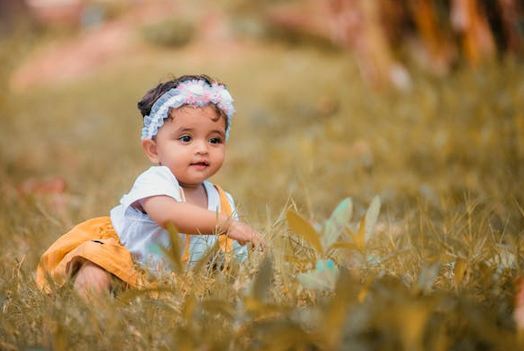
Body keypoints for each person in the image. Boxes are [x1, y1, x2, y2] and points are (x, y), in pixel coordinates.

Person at [36, 74, 263, 298]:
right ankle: (94, 316)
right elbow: (168, 215)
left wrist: (249, 255)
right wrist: (226, 224)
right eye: (186, 139)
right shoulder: (157, 180)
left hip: (166, 280)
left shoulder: (222, 200)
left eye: (214, 140)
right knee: (98, 268)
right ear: (154, 150)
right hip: (127, 261)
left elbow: (225, 250)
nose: (202, 149)